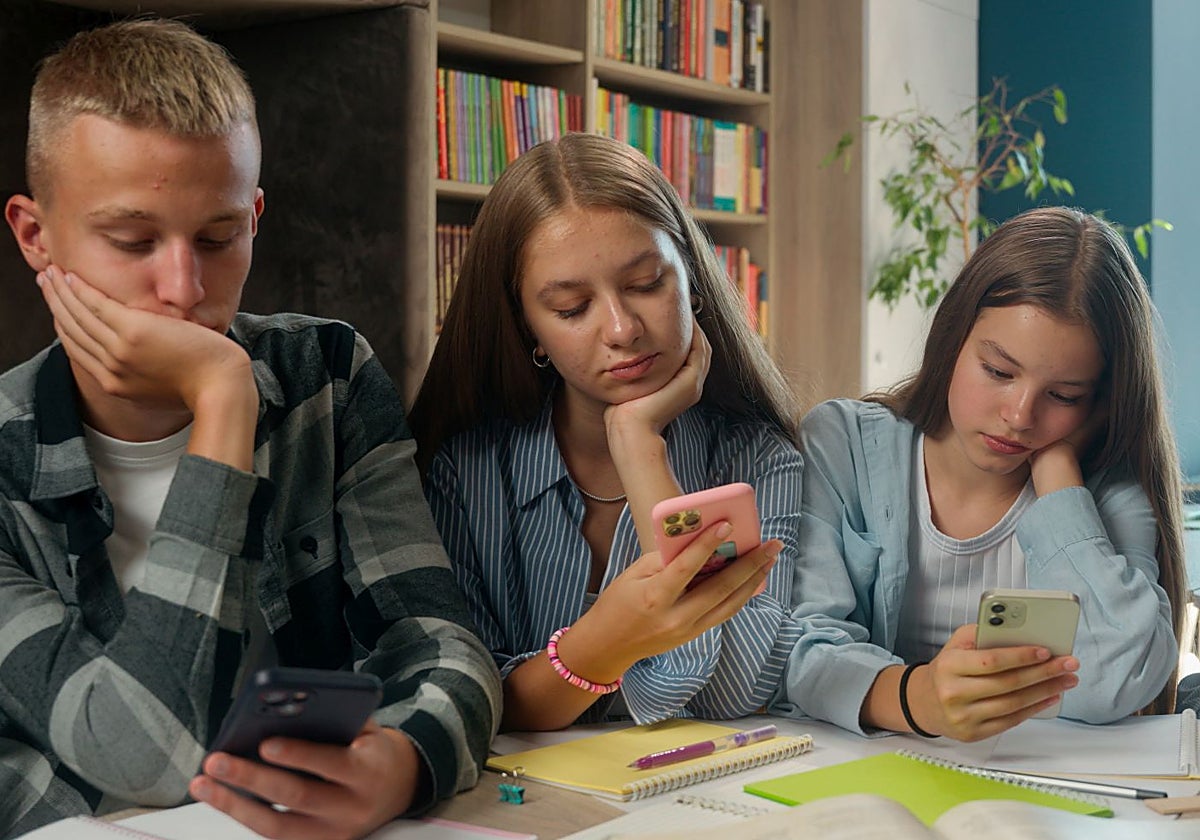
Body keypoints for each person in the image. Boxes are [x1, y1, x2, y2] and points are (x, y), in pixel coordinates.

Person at [0, 18, 500, 839]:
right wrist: (222, 398)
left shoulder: (327, 377)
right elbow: (149, 754)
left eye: (218, 236)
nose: (182, 287)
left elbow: (438, 642)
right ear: (35, 236)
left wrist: (406, 760)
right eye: (132, 240)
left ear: (255, 217)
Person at [409, 132, 804, 731]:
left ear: (692, 278)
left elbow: (734, 690)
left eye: (646, 284)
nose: (622, 330)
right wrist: (608, 640)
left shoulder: (761, 459)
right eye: (572, 308)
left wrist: (641, 449)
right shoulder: (464, 473)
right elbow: (466, 697)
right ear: (529, 328)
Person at [772, 206, 1186, 742]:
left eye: (1064, 396)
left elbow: (1123, 678)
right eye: (997, 371)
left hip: (1038, 781)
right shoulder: (844, 443)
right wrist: (919, 699)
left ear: (1101, 403)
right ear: (953, 339)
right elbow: (798, 651)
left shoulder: (1108, 489)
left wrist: (1058, 482)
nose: (1019, 416)